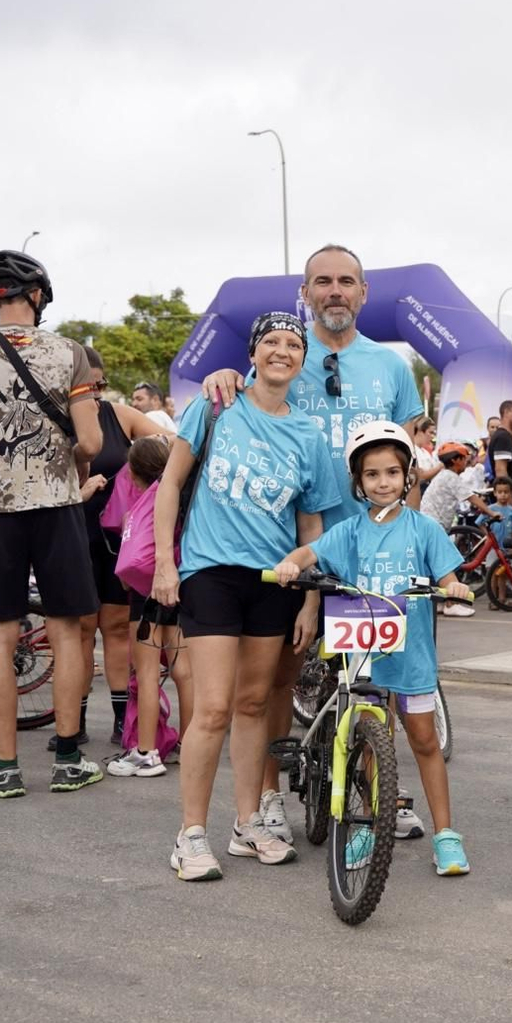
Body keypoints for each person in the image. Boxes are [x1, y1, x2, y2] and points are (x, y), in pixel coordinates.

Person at [199, 243, 425, 843]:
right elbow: (237, 399)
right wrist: (220, 373)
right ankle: (267, 792)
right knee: (277, 677)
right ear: (305, 293)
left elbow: (410, 465)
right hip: (295, 552)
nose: (334, 291)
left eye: (346, 281)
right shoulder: (283, 355)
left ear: (363, 293)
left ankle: (382, 789)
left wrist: (415, 545)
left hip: (376, 552)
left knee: (382, 675)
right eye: (321, 281)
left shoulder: (392, 368)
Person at [154, 312, 344, 881]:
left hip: (276, 581)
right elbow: (169, 483)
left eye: (293, 345)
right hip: (210, 574)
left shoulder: (309, 434)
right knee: (212, 707)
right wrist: (166, 562)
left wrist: (310, 599)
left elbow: (310, 523)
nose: (282, 352)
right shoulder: (215, 406)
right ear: (254, 353)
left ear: (302, 360)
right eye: (271, 342)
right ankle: (189, 834)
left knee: (255, 705)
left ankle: (246, 824)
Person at [0, 250, 106, 798]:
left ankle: (4, 767)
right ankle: (69, 758)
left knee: (0, 638)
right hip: (57, 507)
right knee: (66, 631)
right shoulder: (70, 353)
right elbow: (94, 442)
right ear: (38, 297)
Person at [273, 421, 474, 876]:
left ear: (407, 476)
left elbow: (447, 576)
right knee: (367, 746)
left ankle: (445, 835)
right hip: (362, 657)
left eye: (391, 472)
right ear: (358, 482)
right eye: (371, 474)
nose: (382, 482)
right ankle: (367, 824)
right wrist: (291, 562)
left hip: (412, 655)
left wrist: (455, 587)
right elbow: (311, 552)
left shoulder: (423, 529)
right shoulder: (350, 532)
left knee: (424, 741)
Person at [67, 345, 167, 750]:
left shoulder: (118, 415)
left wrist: (144, 477)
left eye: (99, 384)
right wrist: (78, 489)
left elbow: (173, 446)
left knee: (115, 630)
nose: (94, 392)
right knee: (78, 631)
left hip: (118, 542)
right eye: (84, 386)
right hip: (72, 536)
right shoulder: (56, 420)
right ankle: (73, 721)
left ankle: (122, 719)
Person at [106, 435, 190, 779]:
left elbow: (127, 575)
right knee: (185, 672)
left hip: (146, 596)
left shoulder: (140, 509)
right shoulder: (180, 499)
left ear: (134, 476)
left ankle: (145, 752)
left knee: (146, 673)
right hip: (181, 588)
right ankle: (189, 744)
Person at [410, 417, 441, 491]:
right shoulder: (413, 450)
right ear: (420, 431)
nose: (432, 436)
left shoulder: (425, 452)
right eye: (430, 432)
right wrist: (441, 466)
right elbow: (421, 476)